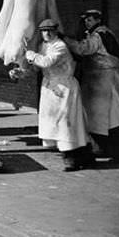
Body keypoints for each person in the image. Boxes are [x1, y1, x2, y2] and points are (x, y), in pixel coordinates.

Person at [63, 10, 119, 162]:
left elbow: (83, 49)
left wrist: (65, 39)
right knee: (112, 116)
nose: (87, 22)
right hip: (107, 77)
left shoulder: (98, 35)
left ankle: (114, 150)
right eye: (86, 20)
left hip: (101, 79)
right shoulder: (106, 33)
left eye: (90, 20)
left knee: (104, 116)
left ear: (98, 20)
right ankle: (111, 149)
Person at [25, 19, 91, 171]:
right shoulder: (43, 46)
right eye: (43, 31)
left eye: (50, 30)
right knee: (56, 122)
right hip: (50, 88)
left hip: (65, 86)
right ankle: (84, 155)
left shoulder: (60, 46)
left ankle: (71, 159)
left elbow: (47, 62)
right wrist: (22, 71)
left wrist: (31, 54)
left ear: (56, 31)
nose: (47, 33)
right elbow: (38, 68)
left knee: (66, 122)